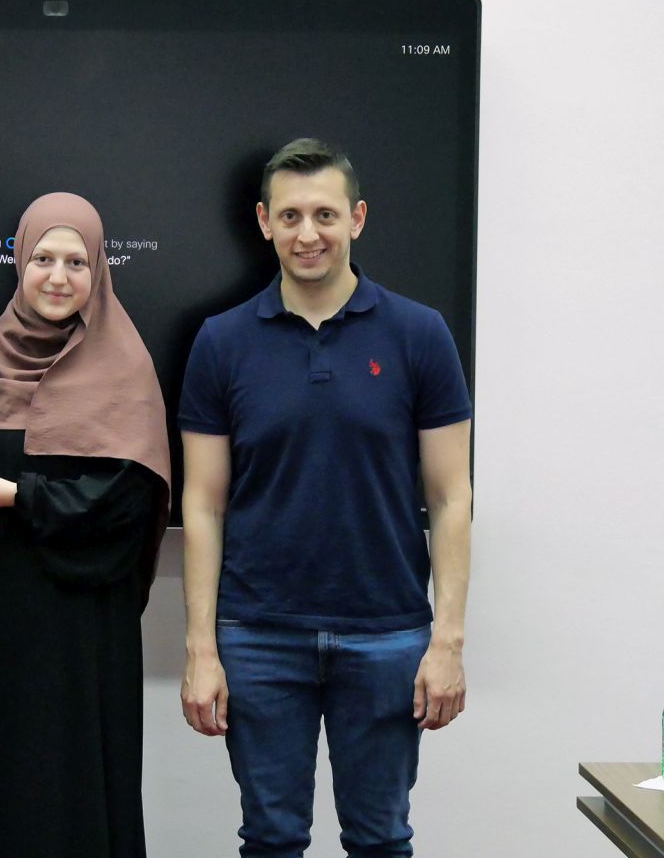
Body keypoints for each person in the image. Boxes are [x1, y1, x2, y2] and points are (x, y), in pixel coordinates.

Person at [177, 138, 472, 857]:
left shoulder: (420, 334)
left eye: (325, 215)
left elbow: (451, 496)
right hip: (258, 635)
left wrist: (447, 641)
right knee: (271, 840)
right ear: (264, 223)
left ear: (357, 219)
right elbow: (203, 505)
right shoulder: (220, 342)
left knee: (380, 840)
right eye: (290, 216)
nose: (307, 233)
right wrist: (201, 648)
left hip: (386, 633)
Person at [0, 192, 171, 858]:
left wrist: (17, 496)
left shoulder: (126, 369)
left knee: (72, 789)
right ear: (20, 263)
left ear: (99, 271)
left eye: (76, 262)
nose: (58, 277)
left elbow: (126, 508)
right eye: (43, 259)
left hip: (81, 628)